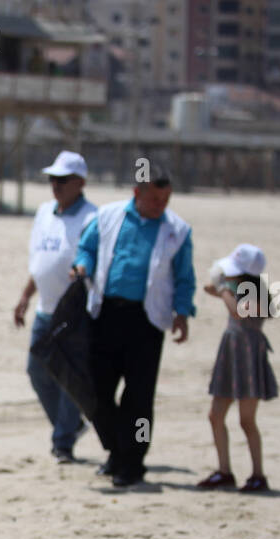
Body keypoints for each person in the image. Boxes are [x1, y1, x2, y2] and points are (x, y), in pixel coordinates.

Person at [69, 162, 196, 487]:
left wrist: (182, 313)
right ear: (137, 192)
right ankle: (116, 448)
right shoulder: (107, 216)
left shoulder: (177, 230)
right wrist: (82, 267)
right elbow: (87, 249)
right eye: (155, 200)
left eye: (166, 200)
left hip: (147, 321)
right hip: (106, 314)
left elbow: (185, 277)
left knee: (139, 397)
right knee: (96, 392)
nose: (161, 207)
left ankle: (133, 460)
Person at [13, 150, 98, 463]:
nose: (55, 185)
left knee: (68, 378)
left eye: (62, 180)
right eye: (52, 179)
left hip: (75, 315)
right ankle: (71, 425)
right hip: (44, 309)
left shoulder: (92, 217)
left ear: (80, 182)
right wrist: (25, 297)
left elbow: (92, 261)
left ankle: (62, 442)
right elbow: (40, 263)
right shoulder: (44, 213)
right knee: (37, 371)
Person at [196, 244, 277, 493]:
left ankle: (257, 474)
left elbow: (239, 312)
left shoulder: (254, 294)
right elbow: (209, 288)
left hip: (248, 355)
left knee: (246, 420)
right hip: (232, 354)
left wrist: (225, 291)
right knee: (216, 415)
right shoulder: (235, 288)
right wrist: (223, 288)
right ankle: (224, 471)